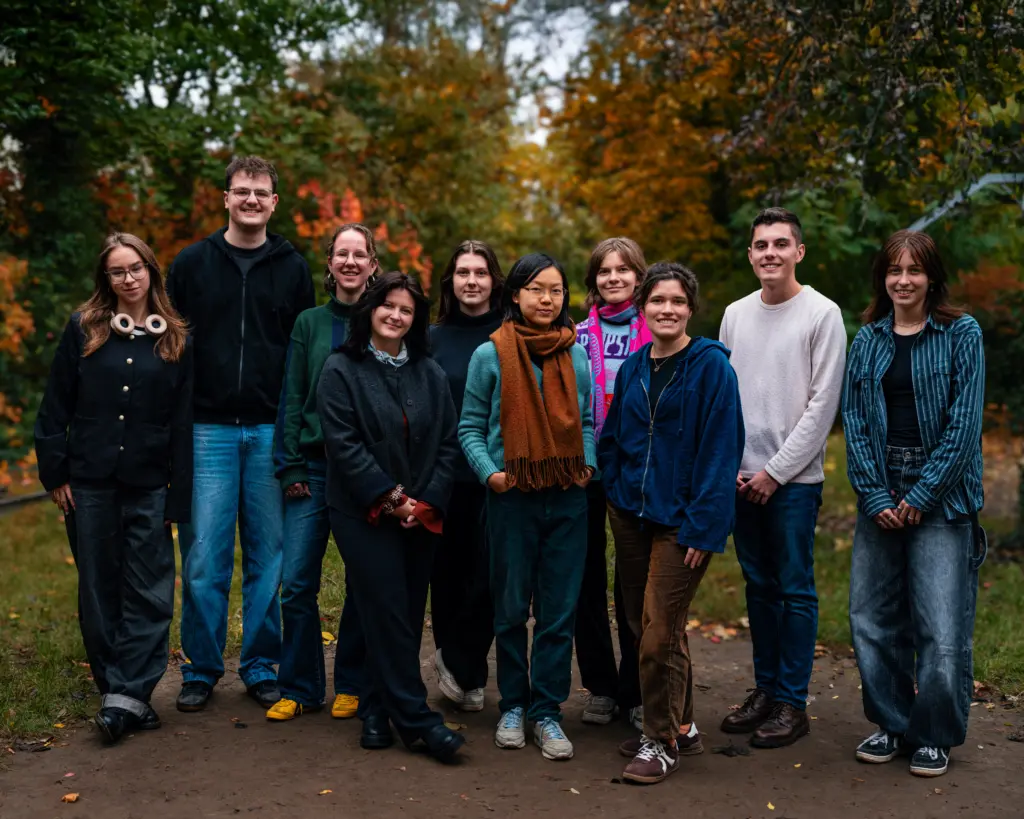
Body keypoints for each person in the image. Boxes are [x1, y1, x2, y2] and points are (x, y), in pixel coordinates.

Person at [167, 156, 315, 712]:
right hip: (206, 431)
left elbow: (301, 357)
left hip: (269, 429)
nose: (251, 200)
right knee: (204, 558)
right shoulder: (191, 264)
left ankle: (259, 665)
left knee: (267, 557)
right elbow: (170, 351)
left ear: (274, 203)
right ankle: (201, 670)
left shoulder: (292, 267)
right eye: (242, 191)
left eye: (261, 192)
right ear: (225, 198)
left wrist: (295, 431)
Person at [35, 233, 193, 744]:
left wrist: (177, 495)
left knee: (149, 592)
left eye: (136, 268)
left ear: (152, 271)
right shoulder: (84, 329)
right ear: (106, 280)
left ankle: (126, 695)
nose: (128, 279)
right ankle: (119, 696)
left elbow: (182, 425)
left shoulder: (176, 339)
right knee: (99, 590)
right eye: (117, 272)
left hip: (148, 484)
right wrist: (55, 472)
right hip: (89, 484)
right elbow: (54, 406)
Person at [843, 230, 985, 778]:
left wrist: (922, 494)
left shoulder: (961, 333)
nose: (904, 280)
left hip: (943, 494)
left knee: (941, 626)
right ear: (883, 278)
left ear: (932, 278)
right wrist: (877, 494)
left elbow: (964, 425)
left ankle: (934, 734)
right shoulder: (869, 339)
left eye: (914, 271)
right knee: (872, 619)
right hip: (880, 484)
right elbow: (853, 421)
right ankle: (893, 724)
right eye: (894, 271)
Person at [600, 262, 744, 784]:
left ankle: (657, 742)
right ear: (643, 307)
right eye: (657, 300)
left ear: (690, 308)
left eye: (677, 301)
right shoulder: (634, 367)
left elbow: (721, 452)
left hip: (682, 523)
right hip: (632, 517)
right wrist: (615, 490)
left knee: (659, 632)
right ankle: (681, 725)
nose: (667, 309)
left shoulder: (711, 368)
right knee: (648, 624)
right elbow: (613, 437)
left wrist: (705, 528)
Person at [317, 271, 465, 762]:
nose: (396, 315)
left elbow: (447, 442)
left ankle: (378, 711)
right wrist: (392, 498)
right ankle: (419, 719)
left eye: (406, 310)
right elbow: (344, 446)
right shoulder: (340, 369)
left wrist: (423, 503)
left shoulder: (429, 371)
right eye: (388, 306)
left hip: (422, 513)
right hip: (363, 513)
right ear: (370, 309)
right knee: (385, 608)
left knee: (402, 610)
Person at [459, 252, 597, 761]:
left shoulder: (575, 354)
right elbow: (469, 427)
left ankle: (548, 712)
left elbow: (585, 422)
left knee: (559, 613)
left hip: (566, 498)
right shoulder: (489, 355)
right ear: (515, 295)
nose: (547, 299)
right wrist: (490, 474)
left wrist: (588, 466)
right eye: (537, 289)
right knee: (512, 609)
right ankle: (513, 706)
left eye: (556, 290)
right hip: (511, 499)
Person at [718, 208, 847, 748]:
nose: (769, 252)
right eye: (760, 245)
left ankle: (793, 703)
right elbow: (724, 396)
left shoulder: (822, 314)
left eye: (780, 244)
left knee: (794, 589)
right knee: (759, 588)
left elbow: (822, 407)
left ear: (799, 252)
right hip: (739, 479)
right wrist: (734, 469)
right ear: (750, 255)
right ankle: (766, 691)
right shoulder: (734, 314)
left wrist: (776, 472)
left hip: (794, 482)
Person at [267, 223, 379, 721]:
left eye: (360, 255)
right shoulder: (309, 323)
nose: (351, 262)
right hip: (311, 469)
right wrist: (289, 462)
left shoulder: (386, 319)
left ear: (373, 265)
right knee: (296, 583)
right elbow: (292, 396)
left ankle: (351, 682)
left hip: (363, 473)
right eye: (342, 254)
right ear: (329, 264)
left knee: (362, 580)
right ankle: (301, 685)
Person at [574, 237, 648, 728]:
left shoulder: (656, 328)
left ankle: (636, 688)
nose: (614, 278)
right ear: (594, 280)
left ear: (639, 278)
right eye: (605, 271)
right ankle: (600, 686)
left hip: (636, 472)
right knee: (584, 580)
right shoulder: (577, 334)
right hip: (585, 470)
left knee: (634, 584)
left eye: (623, 270)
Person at [429, 240, 505, 712]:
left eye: (480, 272)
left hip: (496, 476)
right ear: (450, 281)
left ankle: (461, 659)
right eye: (462, 272)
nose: (471, 281)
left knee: (489, 578)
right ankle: (466, 676)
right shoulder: (431, 337)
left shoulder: (510, 333)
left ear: (495, 281)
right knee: (448, 577)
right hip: (441, 475)